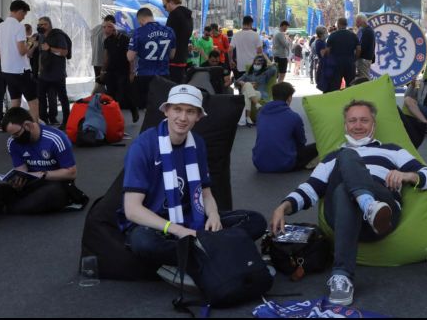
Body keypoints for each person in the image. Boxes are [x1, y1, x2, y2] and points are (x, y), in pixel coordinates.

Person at [269, 100, 427, 306]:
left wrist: (407, 175)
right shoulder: (333, 157)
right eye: (352, 121)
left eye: (364, 120)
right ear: (345, 126)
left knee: (344, 184)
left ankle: (342, 274)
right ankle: (367, 205)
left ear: (373, 126)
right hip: (344, 218)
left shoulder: (392, 150)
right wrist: (283, 207)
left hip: (382, 217)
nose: (358, 125)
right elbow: (310, 189)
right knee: (346, 159)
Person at [119, 84, 267, 265]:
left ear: (198, 116)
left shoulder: (197, 143)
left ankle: (196, 252)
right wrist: (177, 230)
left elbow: (205, 194)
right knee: (143, 243)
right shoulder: (143, 146)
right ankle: (211, 251)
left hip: (192, 218)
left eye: (190, 111)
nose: (182, 117)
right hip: (155, 224)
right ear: (166, 111)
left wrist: (213, 215)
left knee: (255, 221)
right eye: (177, 109)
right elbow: (132, 209)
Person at [0, 107, 83, 231]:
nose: (14, 138)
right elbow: (21, 170)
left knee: (51, 193)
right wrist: (17, 181)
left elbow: (71, 172)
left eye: (16, 134)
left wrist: (42, 174)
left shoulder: (56, 138)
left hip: (55, 183)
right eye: (11, 135)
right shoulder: (13, 142)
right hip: (31, 184)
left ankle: (1, 207)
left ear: (27, 125)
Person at [252, 82, 318, 173]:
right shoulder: (294, 117)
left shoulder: (261, 113)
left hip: (259, 163)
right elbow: (301, 142)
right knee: (318, 146)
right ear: (289, 98)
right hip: (284, 165)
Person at [0, 0, 39, 121]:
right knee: (33, 100)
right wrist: (31, 44)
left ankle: (13, 123)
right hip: (20, 70)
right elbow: (21, 50)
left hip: (6, 70)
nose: (23, 18)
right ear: (20, 11)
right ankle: (36, 125)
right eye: (24, 14)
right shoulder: (19, 27)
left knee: (15, 100)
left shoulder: (0, 26)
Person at [127, 7, 176, 110]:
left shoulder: (138, 32)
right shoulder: (170, 31)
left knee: (146, 108)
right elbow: (172, 55)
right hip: (164, 75)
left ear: (141, 19)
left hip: (145, 75)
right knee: (162, 107)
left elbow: (130, 57)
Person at [100, 16, 139, 122]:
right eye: (104, 27)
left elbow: (132, 57)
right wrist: (103, 70)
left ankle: (133, 109)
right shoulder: (107, 41)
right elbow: (106, 56)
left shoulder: (125, 39)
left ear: (114, 27)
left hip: (123, 71)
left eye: (108, 27)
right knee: (111, 94)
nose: (106, 30)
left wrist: (132, 72)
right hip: (111, 71)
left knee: (123, 94)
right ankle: (113, 119)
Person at [36, 16, 72, 128]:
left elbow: (64, 52)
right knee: (41, 97)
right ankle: (43, 120)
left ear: (49, 25)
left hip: (57, 73)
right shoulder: (41, 36)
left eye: (43, 24)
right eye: (39, 24)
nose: (41, 26)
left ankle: (67, 121)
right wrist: (39, 68)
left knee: (62, 98)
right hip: (44, 74)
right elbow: (41, 53)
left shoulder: (58, 35)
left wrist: (50, 48)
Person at [236, 54, 277, 126]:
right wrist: (241, 82)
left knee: (246, 94)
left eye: (259, 64)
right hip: (251, 94)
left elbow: (274, 69)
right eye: (255, 63)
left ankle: (247, 118)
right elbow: (236, 82)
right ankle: (256, 105)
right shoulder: (248, 74)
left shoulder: (265, 73)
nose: (256, 65)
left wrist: (265, 58)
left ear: (263, 65)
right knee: (248, 85)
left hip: (259, 93)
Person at [162, 0, 192, 84]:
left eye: (165, 5)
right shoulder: (188, 15)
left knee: (170, 86)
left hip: (173, 58)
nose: (165, 9)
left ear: (171, 2)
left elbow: (168, 37)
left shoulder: (174, 15)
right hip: (182, 56)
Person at [325, 18, 359, 92]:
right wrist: (354, 58)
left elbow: (327, 51)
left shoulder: (332, 35)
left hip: (336, 64)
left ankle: (336, 101)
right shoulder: (353, 35)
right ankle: (351, 101)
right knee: (351, 85)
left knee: (335, 86)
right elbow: (359, 49)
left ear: (339, 24)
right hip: (350, 63)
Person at [355, 14, 375, 81]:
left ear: (363, 21)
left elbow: (362, 47)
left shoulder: (366, 31)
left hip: (363, 59)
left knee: (364, 79)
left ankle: (368, 91)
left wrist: (356, 56)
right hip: (365, 58)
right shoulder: (367, 30)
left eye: (357, 22)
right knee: (363, 78)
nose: (356, 24)